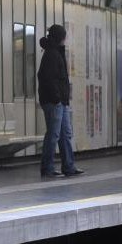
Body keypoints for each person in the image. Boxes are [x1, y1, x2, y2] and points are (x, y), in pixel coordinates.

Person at [38, 24, 84, 178]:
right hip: (54, 102)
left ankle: (69, 166)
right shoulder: (52, 54)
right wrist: (57, 98)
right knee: (53, 134)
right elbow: (48, 79)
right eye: (64, 36)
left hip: (61, 102)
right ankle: (47, 168)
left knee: (65, 134)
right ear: (60, 37)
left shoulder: (56, 52)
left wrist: (62, 100)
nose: (66, 38)